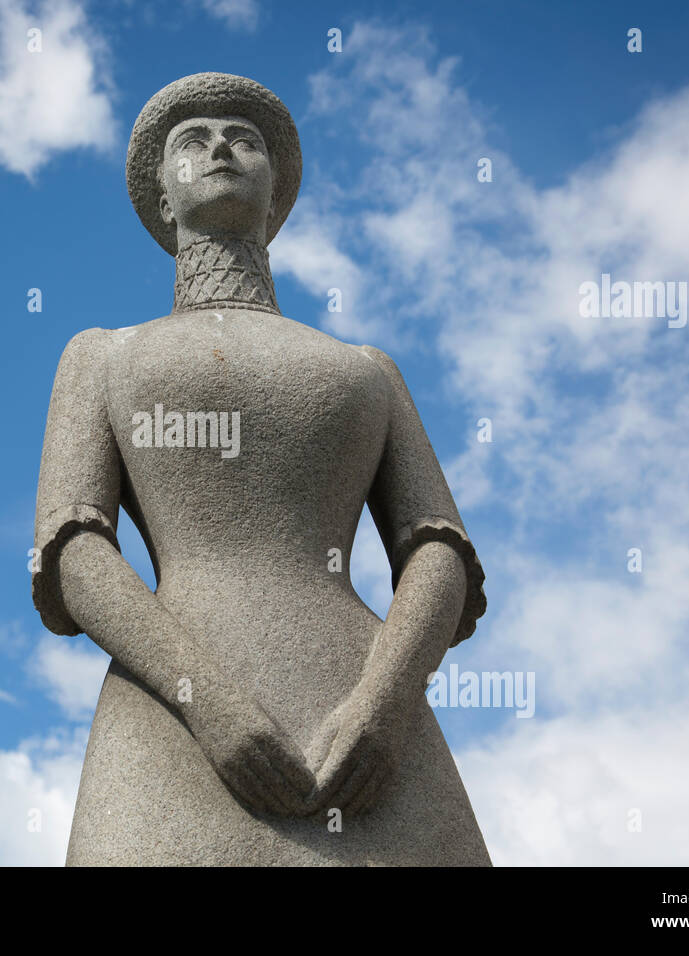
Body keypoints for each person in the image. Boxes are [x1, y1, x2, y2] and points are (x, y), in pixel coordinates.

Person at [32, 72, 490, 865]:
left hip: (364, 715)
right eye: (193, 141)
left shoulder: (366, 370)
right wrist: (205, 702)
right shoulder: (103, 356)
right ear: (162, 197)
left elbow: (437, 549)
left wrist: (385, 702)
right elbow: (75, 551)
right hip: (169, 706)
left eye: (244, 139)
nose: (220, 149)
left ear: (276, 193)